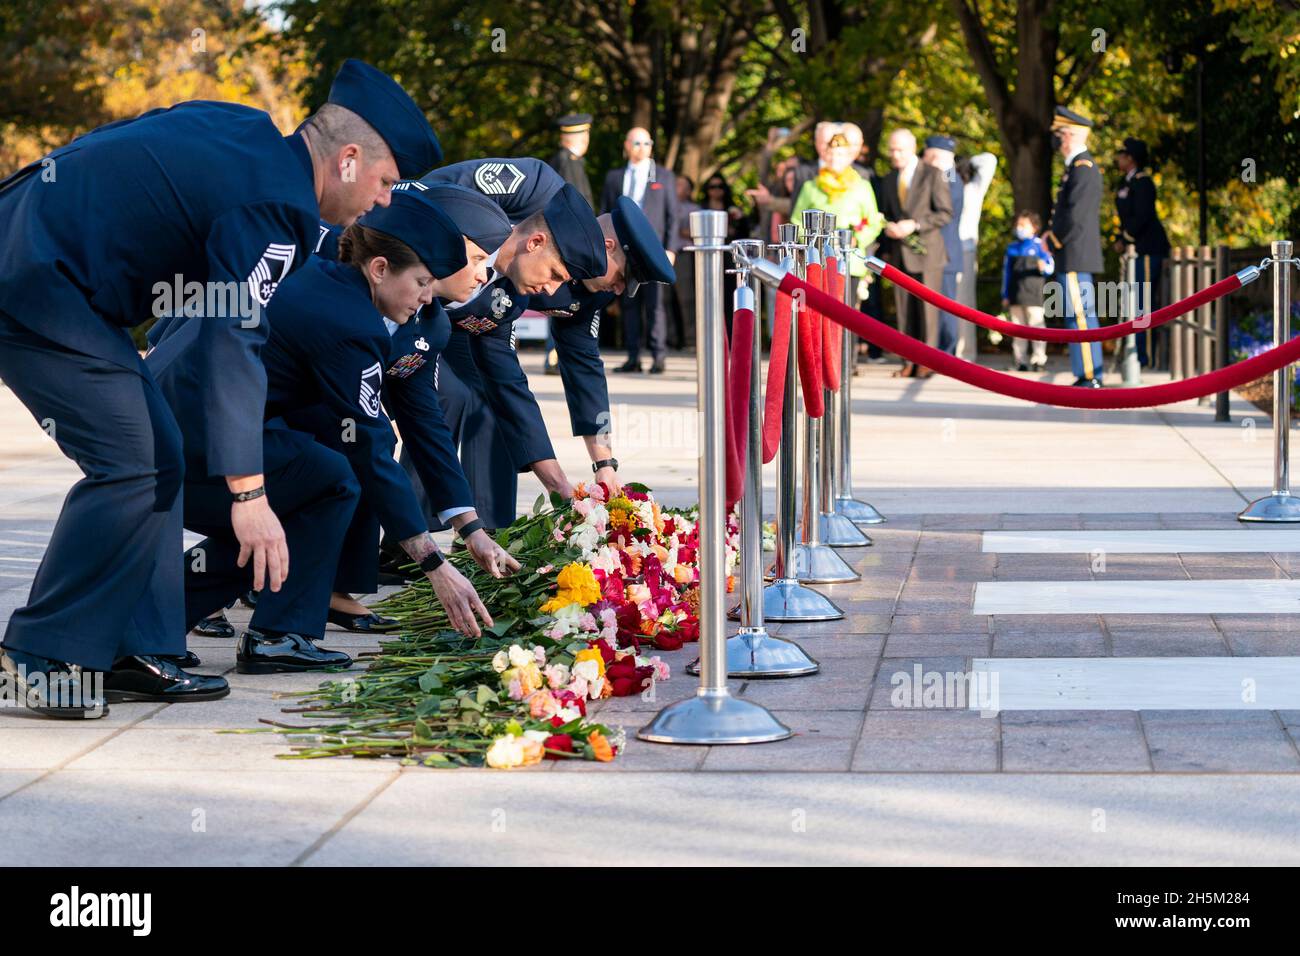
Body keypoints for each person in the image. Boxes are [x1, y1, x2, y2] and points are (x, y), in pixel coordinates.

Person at [0, 58, 440, 718]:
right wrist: (249, 492)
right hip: (39, 278)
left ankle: (129, 646)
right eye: (383, 182)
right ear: (348, 159)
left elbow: (135, 136)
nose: (383, 201)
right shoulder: (278, 206)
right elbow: (237, 340)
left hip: (50, 261)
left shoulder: (246, 130)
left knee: (162, 455)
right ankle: (35, 659)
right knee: (131, 461)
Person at [291, 182, 523, 633]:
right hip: (253, 410)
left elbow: (425, 424)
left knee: (364, 449)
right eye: (477, 261)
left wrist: (469, 527)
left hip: (321, 414)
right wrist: (434, 562)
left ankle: (333, 588)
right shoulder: (336, 279)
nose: (481, 278)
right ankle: (271, 596)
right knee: (352, 458)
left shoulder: (429, 320)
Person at [602, 127, 681, 374]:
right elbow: (605, 212)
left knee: (655, 304)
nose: (642, 148)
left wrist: (671, 248)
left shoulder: (664, 177)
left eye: (646, 143)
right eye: (636, 143)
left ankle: (658, 356)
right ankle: (633, 356)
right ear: (627, 145)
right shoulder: (614, 177)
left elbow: (673, 217)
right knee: (628, 302)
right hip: (624, 250)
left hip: (655, 249)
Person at [791, 131, 885, 335]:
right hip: (819, 257)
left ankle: (848, 365)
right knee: (820, 314)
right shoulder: (811, 187)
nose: (835, 159)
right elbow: (797, 221)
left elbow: (874, 220)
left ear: (851, 156)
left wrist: (857, 238)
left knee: (848, 315)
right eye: (831, 154)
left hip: (849, 256)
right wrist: (810, 243)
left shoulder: (862, 186)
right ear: (824, 155)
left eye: (841, 154)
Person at [876, 127, 953, 377]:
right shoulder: (888, 180)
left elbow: (945, 213)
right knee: (904, 310)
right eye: (891, 150)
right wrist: (888, 227)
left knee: (928, 311)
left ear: (912, 148)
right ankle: (908, 360)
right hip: (900, 254)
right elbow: (885, 213)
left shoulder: (932, 174)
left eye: (899, 149)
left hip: (928, 253)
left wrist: (915, 224)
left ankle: (927, 362)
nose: (895, 154)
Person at [1043, 106, 1104, 388]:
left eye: (1061, 134)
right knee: (1075, 315)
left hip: (1075, 254)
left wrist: (1053, 240)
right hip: (1072, 254)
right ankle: (1085, 373)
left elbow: (1075, 216)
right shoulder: (1076, 168)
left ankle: (1090, 375)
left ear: (1072, 135)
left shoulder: (1083, 168)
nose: (1058, 140)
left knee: (1080, 317)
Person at [543, 112, 596, 374]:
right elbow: (574, 205)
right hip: (568, 242)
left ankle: (554, 355)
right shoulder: (569, 162)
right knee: (562, 299)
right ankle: (554, 356)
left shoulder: (568, 161)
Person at [1114, 137, 1170, 367]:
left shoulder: (1143, 182)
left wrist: (1125, 238)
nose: (1118, 158)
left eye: (1122, 154)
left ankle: (1144, 355)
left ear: (1131, 158)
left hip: (1147, 248)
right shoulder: (1126, 183)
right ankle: (1135, 350)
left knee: (1143, 303)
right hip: (1135, 249)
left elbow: (1142, 216)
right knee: (1134, 301)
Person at [923, 134, 966, 355]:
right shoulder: (946, 178)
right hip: (940, 252)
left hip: (945, 253)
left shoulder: (949, 179)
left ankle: (946, 353)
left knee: (945, 307)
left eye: (930, 156)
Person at [955, 151, 998, 360]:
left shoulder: (973, 187)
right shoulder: (944, 189)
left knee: (964, 303)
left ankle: (965, 353)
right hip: (945, 249)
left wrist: (965, 162)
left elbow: (989, 160)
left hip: (965, 248)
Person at [1000, 210, 1054, 372]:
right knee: (1017, 329)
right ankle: (1020, 361)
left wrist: (1044, 267)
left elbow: (1050, 266)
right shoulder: (1012, 248)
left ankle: (1039, 359)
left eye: (1023, 225)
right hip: (1016, 294)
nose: (1019, 228)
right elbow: (1006, 273)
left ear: (1034, 227)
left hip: (1034, 295)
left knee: (1036, 327)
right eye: (1018, 225)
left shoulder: (1040, 246)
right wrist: (1005, 294)